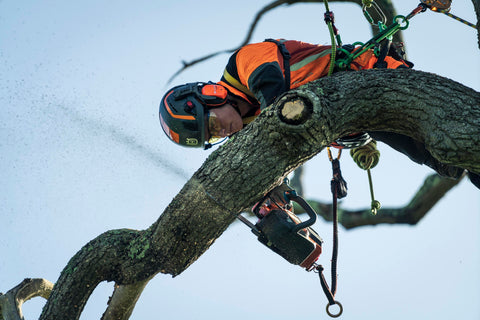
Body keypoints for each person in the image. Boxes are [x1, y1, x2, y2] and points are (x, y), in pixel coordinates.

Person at [159, 39, 479, 188]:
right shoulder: (255, 120)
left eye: (212, 123)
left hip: (375, 76)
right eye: (212, 136)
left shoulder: (244, 63)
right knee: (449, 160)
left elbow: (274, 92)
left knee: (452, 136)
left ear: (210, 95)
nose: (221, 133)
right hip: (369, 115)